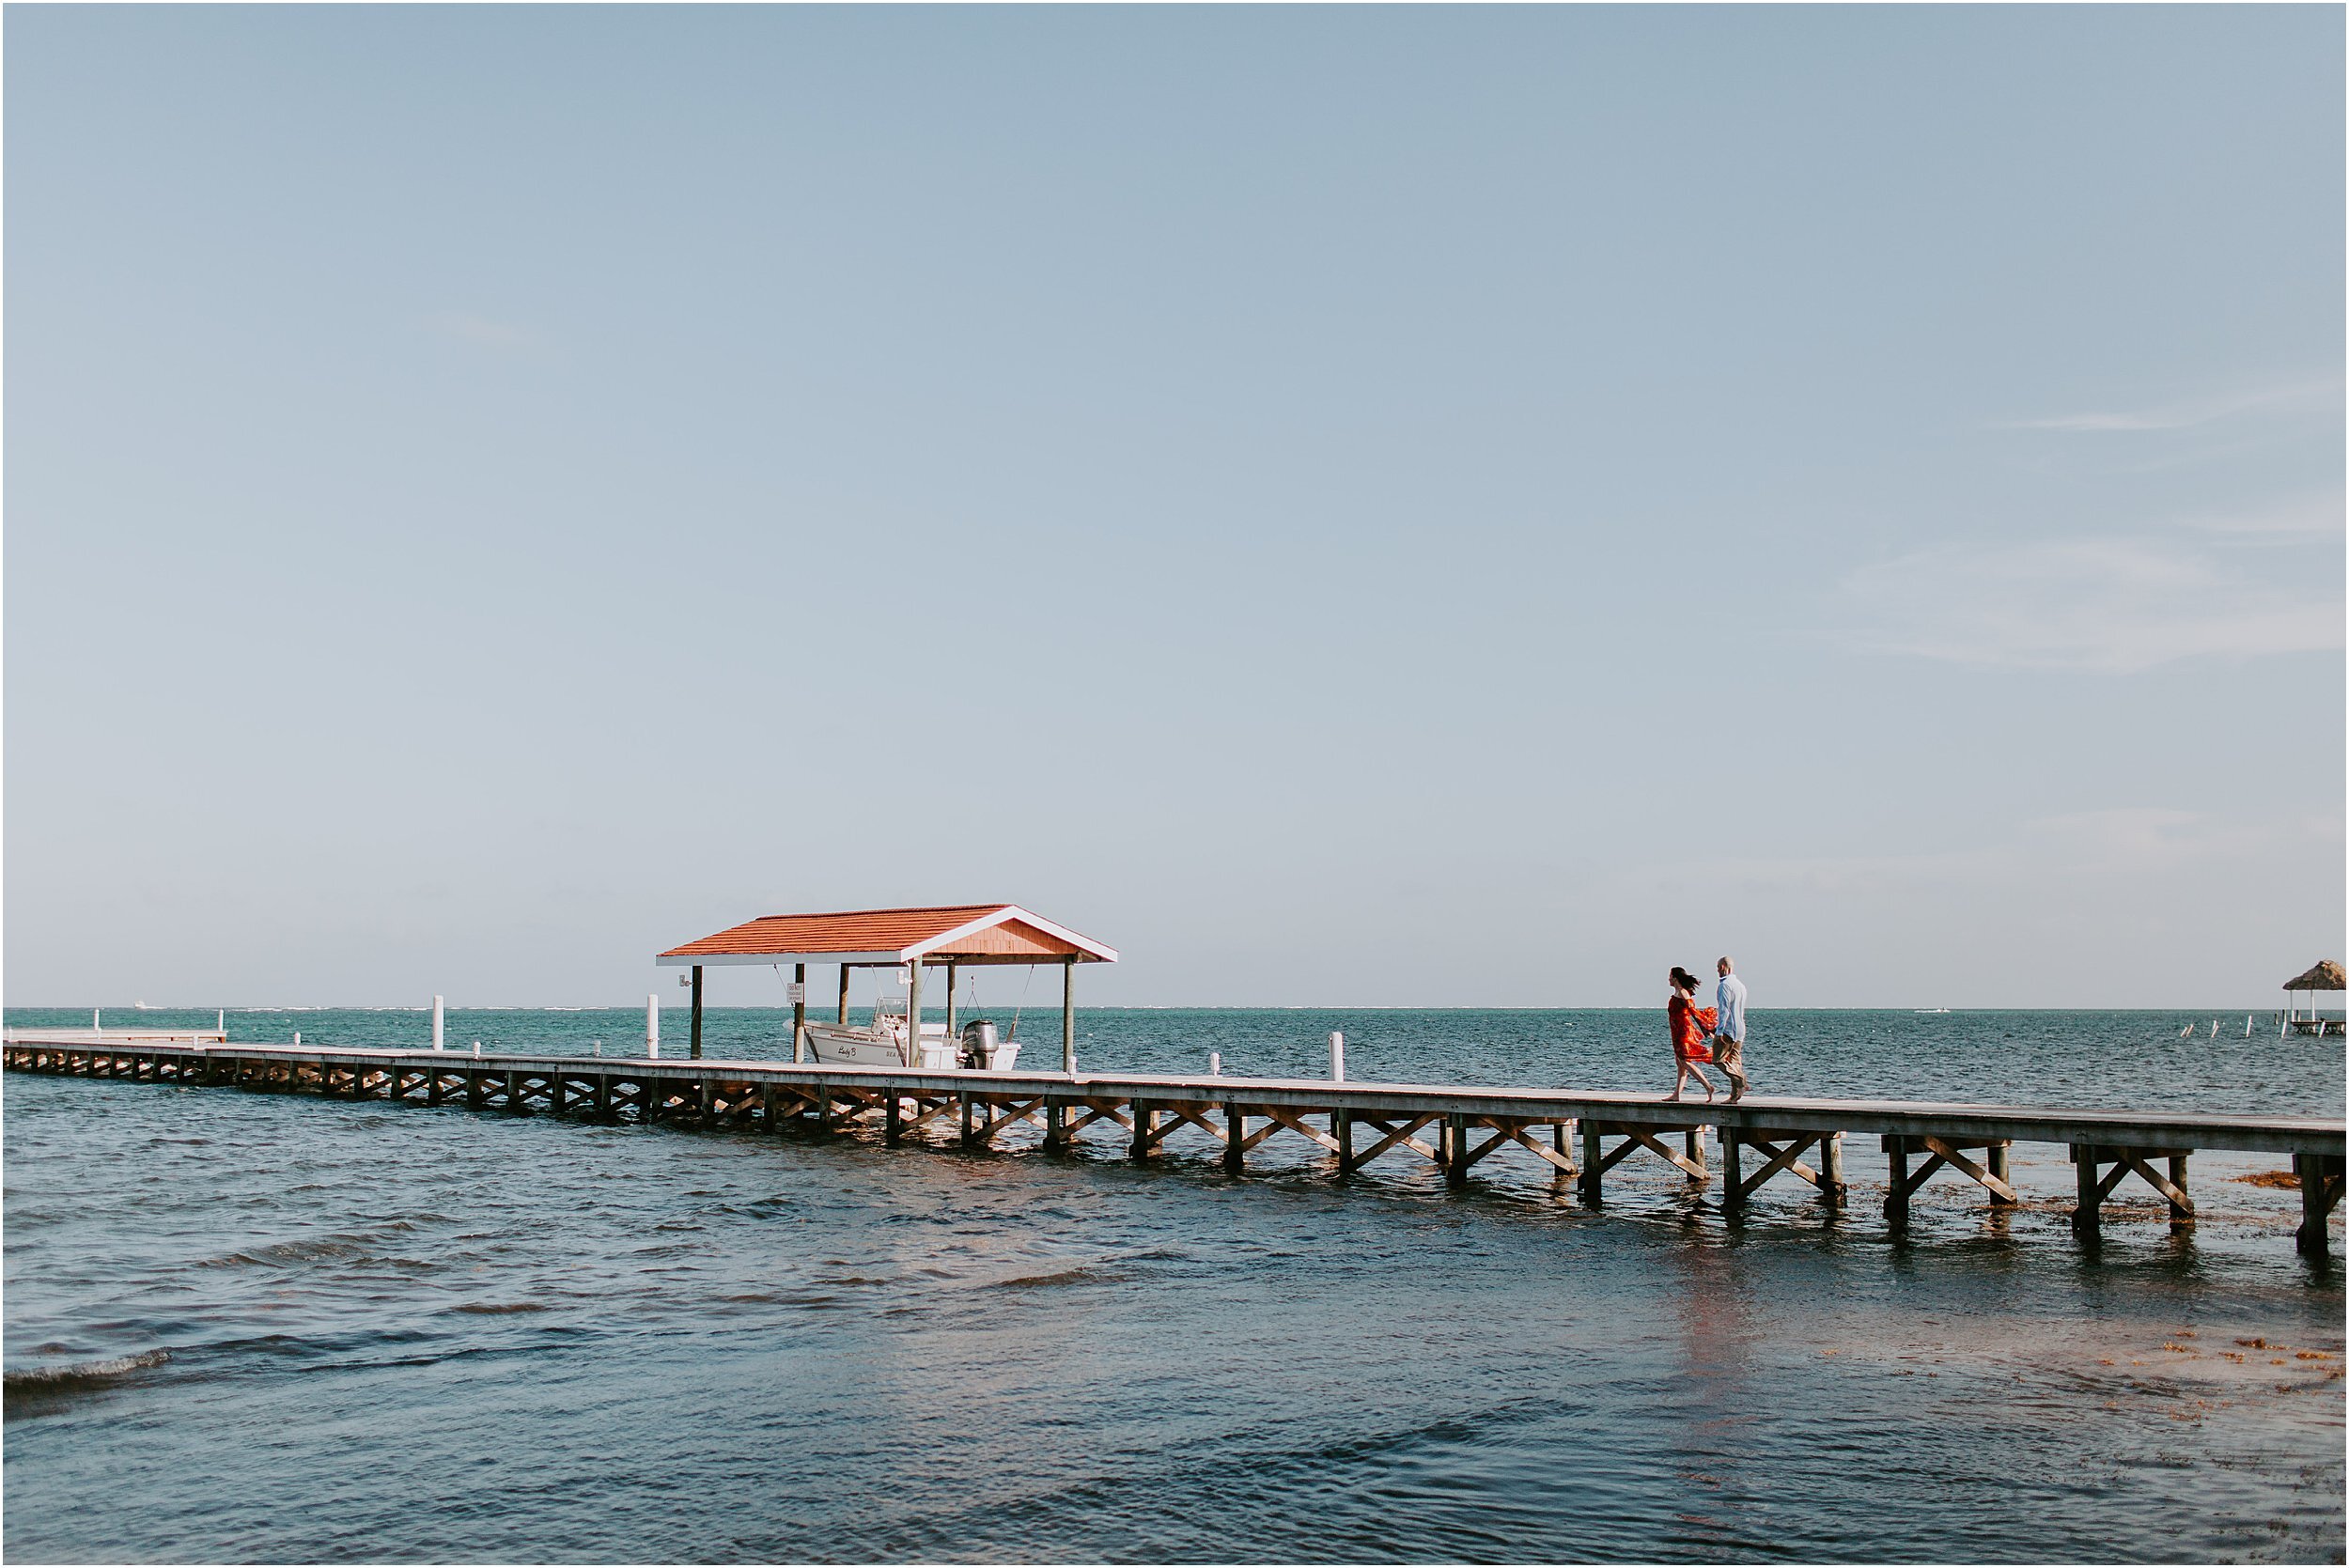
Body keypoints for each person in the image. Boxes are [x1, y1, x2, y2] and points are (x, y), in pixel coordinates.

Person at [1665, 966, 1718, 1102]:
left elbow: (1694, 1012)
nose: (1668, 979)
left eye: (1670, 976)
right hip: (1676, 1032)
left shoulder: (1683, 993)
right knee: (1680, 1063)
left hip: (1683, 1032)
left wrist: (1706, 1028)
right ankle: (1676, 1094)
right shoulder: (1678, 992)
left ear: (1675, 978)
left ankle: (1708, 1086)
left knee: (1684, 1060)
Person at [1713, 956, 1750, 1103]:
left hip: (1728, 1029)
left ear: (1723, 967)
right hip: (1740, 1027)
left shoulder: (1725, 985)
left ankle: (1741, 1081)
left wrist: (1719, 1032)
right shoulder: (1740, 985)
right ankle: (1735, 1095)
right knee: (1734, 1062)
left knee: (1717, 1059)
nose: (1717, 970)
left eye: (1717, 967)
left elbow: (1724, 1010)